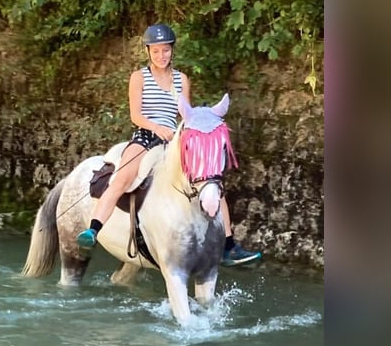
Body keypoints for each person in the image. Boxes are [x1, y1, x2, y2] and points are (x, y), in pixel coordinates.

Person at [76, 23, 261, 267]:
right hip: (146, 135)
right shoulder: (139, 77)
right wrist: (156, 128)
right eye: (156, 51)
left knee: (211, 179)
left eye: (165, 50)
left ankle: (228, 245)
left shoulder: (181, 79)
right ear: (148, 51)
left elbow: (185, 114)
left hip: (175, 138)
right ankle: (93, 229)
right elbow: (136, 115)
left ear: (172, 50)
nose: (161, 55)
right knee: (122, 176)